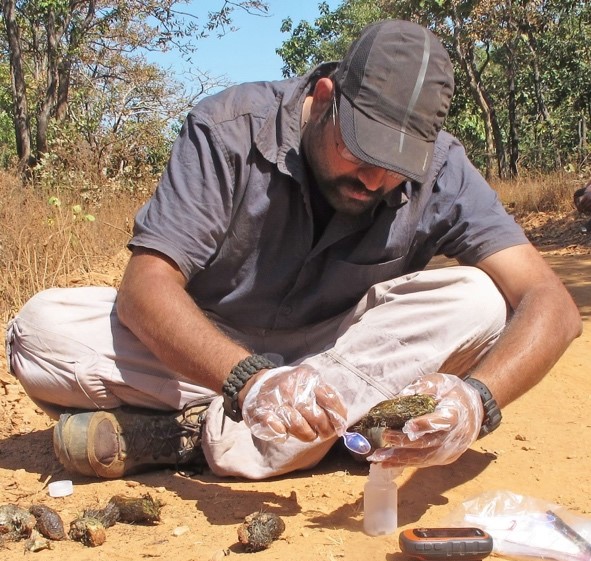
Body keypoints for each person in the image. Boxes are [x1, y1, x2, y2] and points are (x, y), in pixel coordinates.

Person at [6, 20, 581, 481]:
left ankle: (188, 437)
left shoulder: (444, 167)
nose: (375, 179)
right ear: (325, 97)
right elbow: (146, 288)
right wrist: (250, 382)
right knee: (39, 331)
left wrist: (479, 400)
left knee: (479, 300)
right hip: (208, 353)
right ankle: (309, 436)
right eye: (360, 149)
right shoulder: (228, 128)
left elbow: (548, 302)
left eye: (396, 166)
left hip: (346, 359)